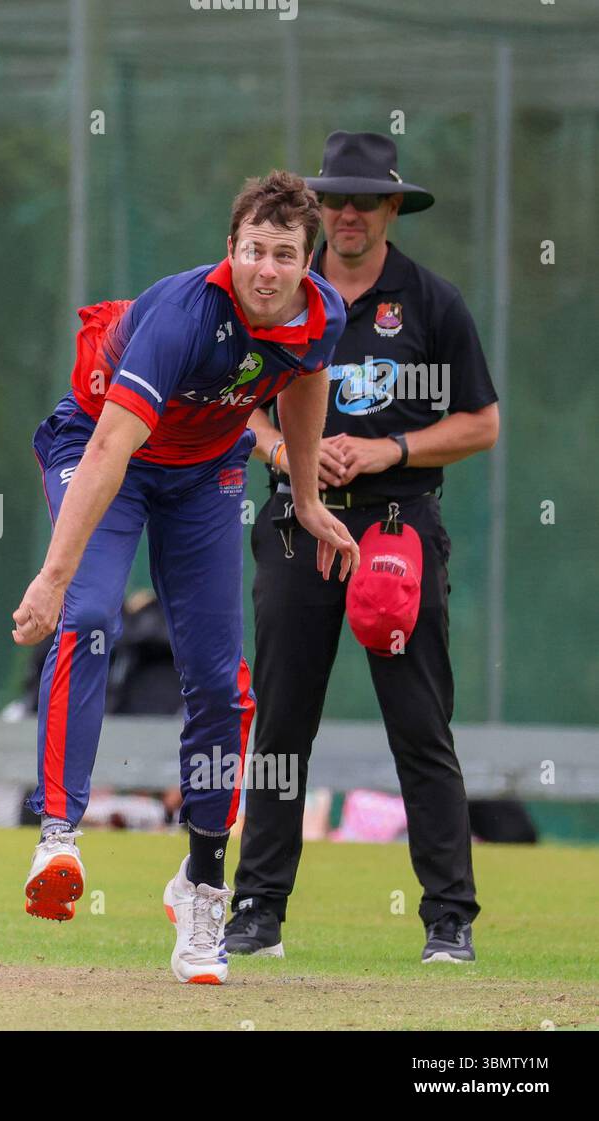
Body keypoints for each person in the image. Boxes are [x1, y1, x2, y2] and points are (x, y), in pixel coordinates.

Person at [11, 170, 356, 985]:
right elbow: (109, 449)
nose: (266, 270)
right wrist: (51, 579)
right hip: (105, 452)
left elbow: (306, 383)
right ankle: (58, 832)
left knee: (219, 682)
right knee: (89, 615)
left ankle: (202, 883)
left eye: (283, 254)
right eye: (252, 251)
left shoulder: (321, 314)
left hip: (206, 474)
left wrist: (306, 497)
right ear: (228, 250)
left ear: (306, 264)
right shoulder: (185, 315)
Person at [226, 132, 500, 965]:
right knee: (281, 724)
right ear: (318, 212)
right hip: (298, 525)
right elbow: (241, 405)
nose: (347, 213)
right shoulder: (280, 294)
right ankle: (258, 912)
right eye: (335, 200)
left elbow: (483, 422)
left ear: (390, 208)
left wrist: (392, 449)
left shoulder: (430, 301)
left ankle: (449, 918)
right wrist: (287, 457)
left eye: (364, 200)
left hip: (395, 528)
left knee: (420, 725)